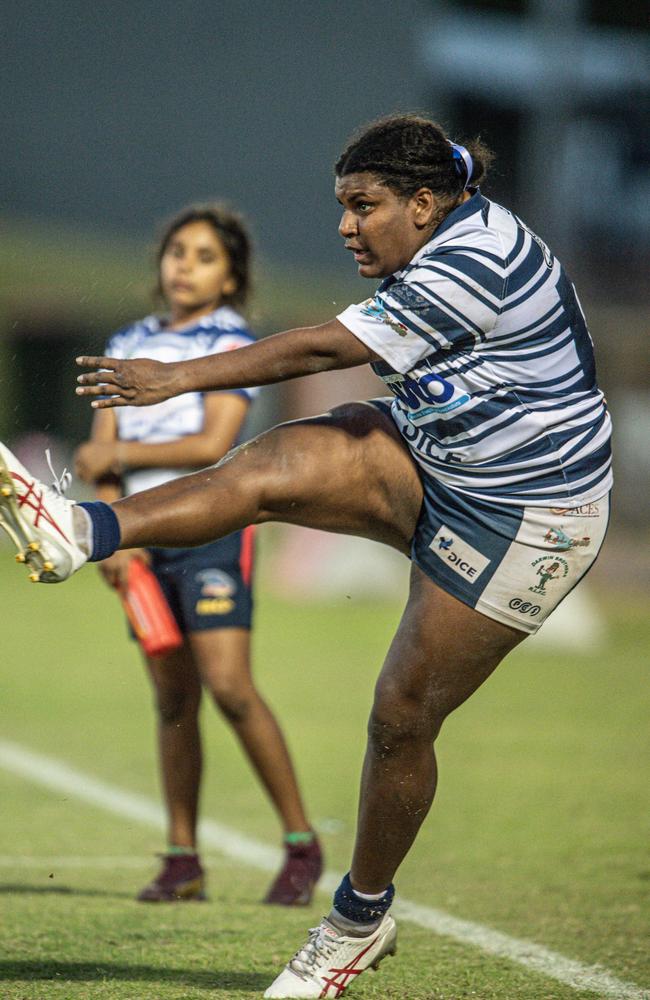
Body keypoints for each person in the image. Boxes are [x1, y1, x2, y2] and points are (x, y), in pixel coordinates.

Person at [0, 115, 612, 998]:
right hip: (442, 458)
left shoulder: (480, 257)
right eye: (343, 206)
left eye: (363, 206)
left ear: (425, 203)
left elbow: (330, 345)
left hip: (529, 515)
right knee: (275, 463)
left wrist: (177, 376)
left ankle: (358, 922)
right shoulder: (441, 239)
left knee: (401, 713)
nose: (345, 225)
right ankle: (80, 531)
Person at [71, 204, 324, 906]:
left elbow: (214, 445)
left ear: (231, 275)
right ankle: (182, 860)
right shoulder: (127, 340)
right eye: (177, 251)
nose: (184, 264)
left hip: (213, 531)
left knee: (230, 687)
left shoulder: (230, 342)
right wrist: (114, 536)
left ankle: (302, 844)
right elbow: (99, 454)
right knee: (172, 698)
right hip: (142, 546)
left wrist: (115, 452)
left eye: (204, 255)